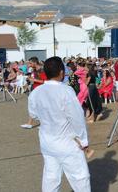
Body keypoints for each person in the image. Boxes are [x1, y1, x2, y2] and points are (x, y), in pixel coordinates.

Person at [28, 56, 91, 192]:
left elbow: (33, 114)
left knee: (50, 178)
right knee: (80, 178)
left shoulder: (36, 92)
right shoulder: (66, 91)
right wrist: (84, 141)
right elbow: (77, 118)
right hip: (67, 144)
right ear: (61, 73)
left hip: (47, 142)